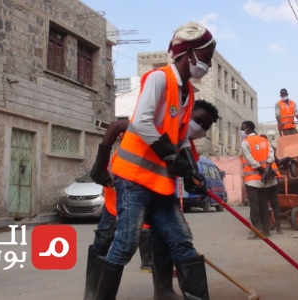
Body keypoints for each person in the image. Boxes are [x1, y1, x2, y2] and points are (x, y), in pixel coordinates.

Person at [92, 22, 216, 300]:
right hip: (133, 180)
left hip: (160, 185)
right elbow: (142, 122)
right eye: (206, 57)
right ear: (189, 53)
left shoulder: (190, 93)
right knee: (125, 245)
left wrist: (191, 172)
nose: (207, 64)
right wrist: (174, 159)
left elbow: (182, 139)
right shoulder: (159, 79)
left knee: (181, 241)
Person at [85, 100, 220, 300]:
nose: (200, 128)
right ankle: (92, 293)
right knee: (108, 238)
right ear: (186, 113)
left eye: (205, 127)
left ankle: (163, 291)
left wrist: (195, 182)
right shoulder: (157, 125)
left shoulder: (187, 146)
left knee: (165, 240)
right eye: (198, 120)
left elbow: (186, 174)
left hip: (158, 194)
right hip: (126, 188)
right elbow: (115, 126)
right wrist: (99, 167)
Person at [240, 121, 281, 239]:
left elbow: (251, 160)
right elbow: (271, 157)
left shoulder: (245, 142)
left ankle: (258, 230)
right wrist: (267, 169)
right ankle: (266, 230)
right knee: (263, 204)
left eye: (242, 129)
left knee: (254, 205)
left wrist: (262, 171)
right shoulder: (265, 141)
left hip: (252, 180)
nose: (241, 132)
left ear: (248, 130)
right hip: (266, 181)